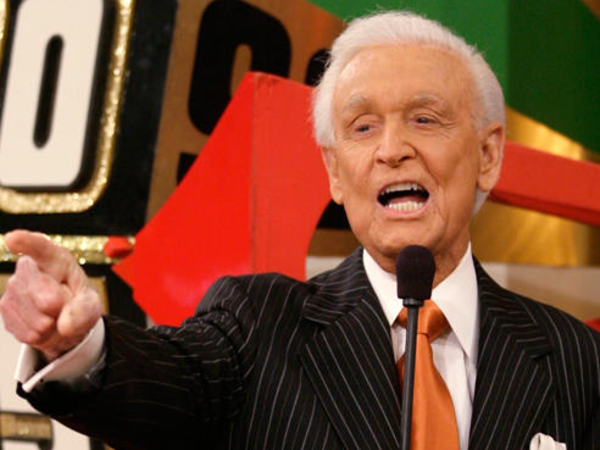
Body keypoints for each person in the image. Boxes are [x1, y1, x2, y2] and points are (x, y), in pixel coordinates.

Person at [1, 10, 599, 450]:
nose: (392, 149)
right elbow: (167, 380)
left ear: (488, 155)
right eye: (362, 127)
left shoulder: (577, 359)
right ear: (335, 172)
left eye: (424, 119)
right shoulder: (257, 324)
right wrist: (78, 346)